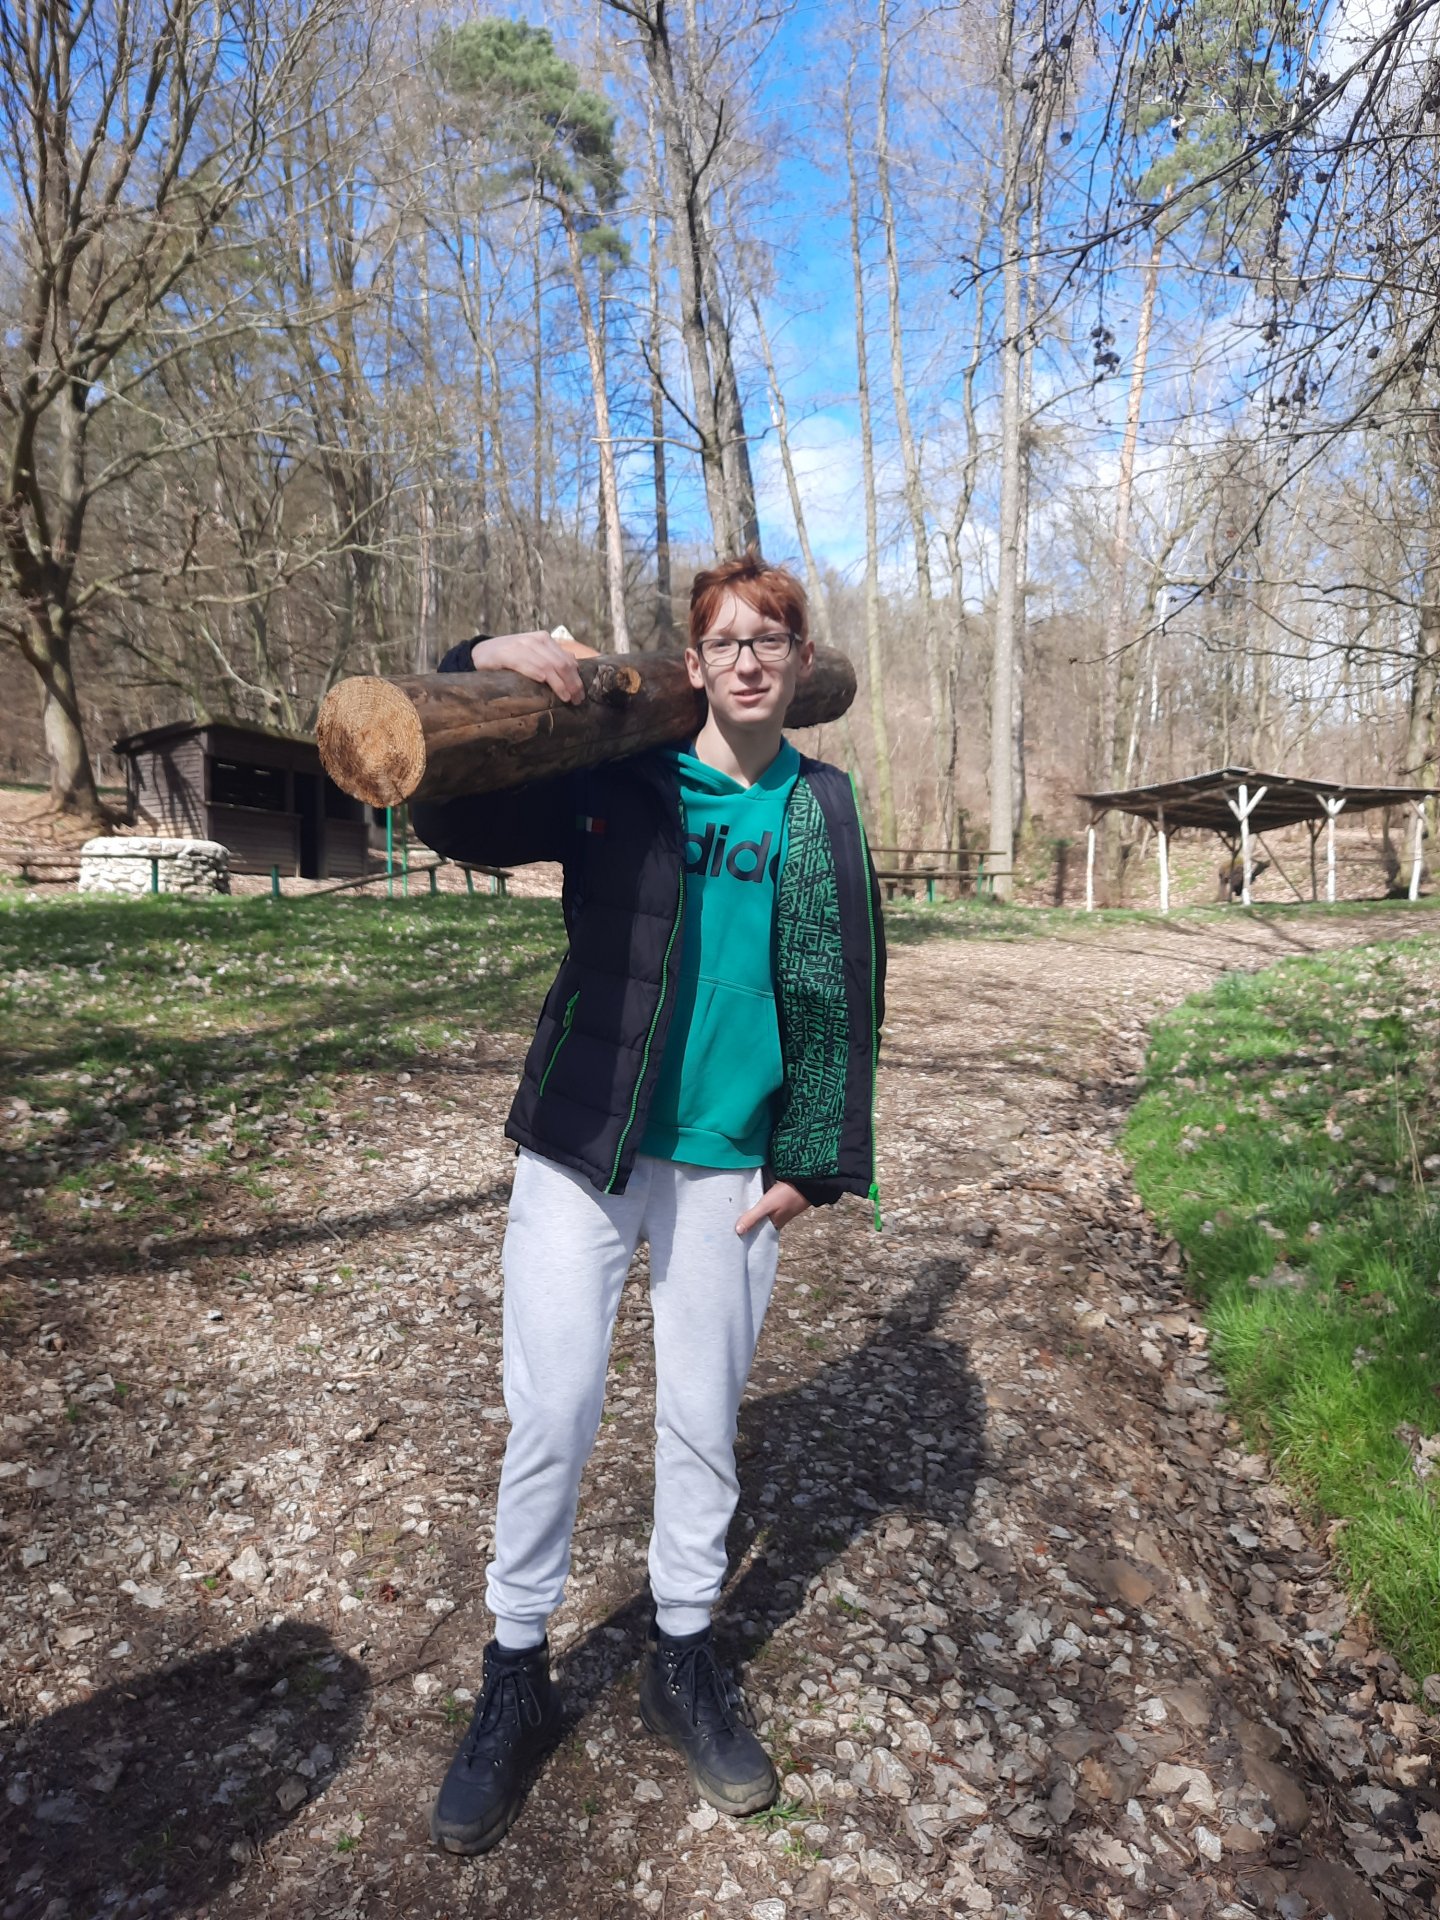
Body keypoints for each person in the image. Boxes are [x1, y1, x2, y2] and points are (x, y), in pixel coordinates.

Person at [412, 553, 885, 1856]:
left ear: (800, 663)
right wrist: (475, 660)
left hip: (730, 1168)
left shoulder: (820, 805)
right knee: (552, 1410)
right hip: (585, 1146)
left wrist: (816, 1157)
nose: (747, 660)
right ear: (693, 662)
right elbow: (449, 809)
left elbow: (842, 985)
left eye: (770, 640)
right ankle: (516, 1670)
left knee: (699, 1423)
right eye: (724, 640)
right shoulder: (620, 779)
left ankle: (683, 1656)